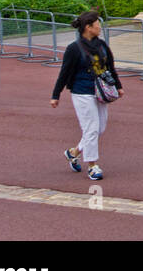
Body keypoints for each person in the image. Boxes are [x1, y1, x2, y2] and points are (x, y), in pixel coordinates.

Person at [50, 11, 124, 181]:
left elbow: (110, 68)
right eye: (97, 23)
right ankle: (92, 166)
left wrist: (118, 87)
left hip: (101, 91)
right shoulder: (74, 49)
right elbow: (64, 73)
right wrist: (56, 95)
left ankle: (73, 153)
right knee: (91, 128)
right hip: (82, 92)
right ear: (88, 28)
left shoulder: (102, 46)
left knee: (100, 128)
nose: (99, 26)